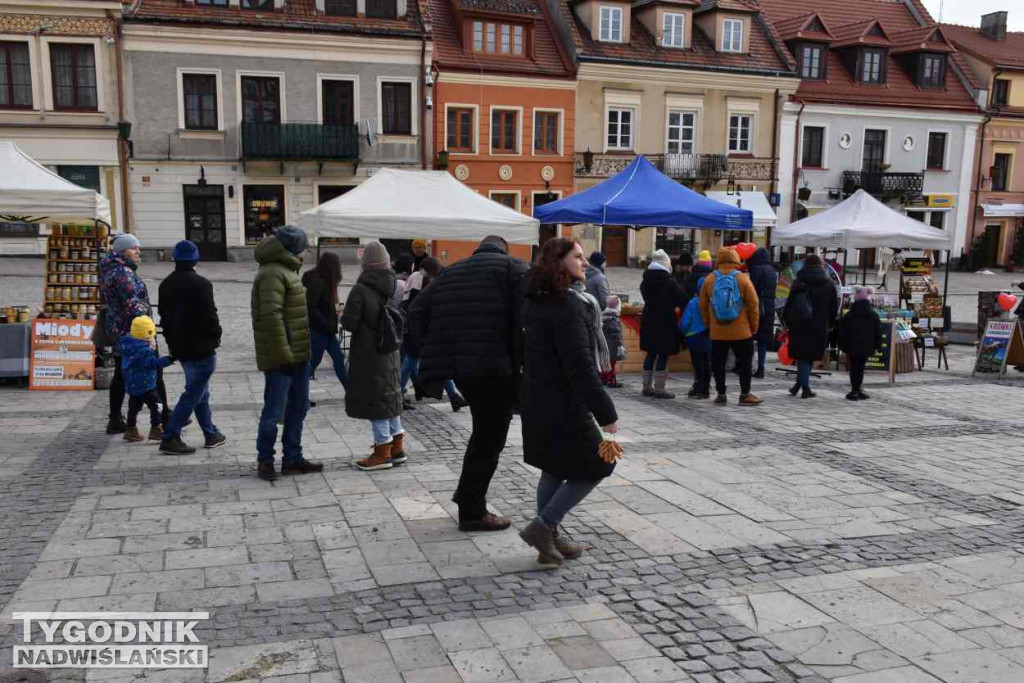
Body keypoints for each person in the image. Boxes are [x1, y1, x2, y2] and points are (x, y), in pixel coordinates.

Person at [408, 235, 530, 532]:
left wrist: (430, 349)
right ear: (505, 249)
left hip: (462, 368)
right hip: (495, 367)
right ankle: (472, 510)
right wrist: (520, 360)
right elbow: (525, 320)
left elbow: (415, 312)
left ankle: (469, 501)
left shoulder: (451, 271)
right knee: (489, 439)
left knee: (484, 434)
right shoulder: (514, 268)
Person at [518, 238, 619, 565]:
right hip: (562, 403)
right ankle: (543, 527)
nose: (585, 263)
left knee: (554, 467)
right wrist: (606, 413)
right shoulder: (568, 306)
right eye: (578, 257)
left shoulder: (535, 301)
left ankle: (552, 539)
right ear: (559, 262)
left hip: (538, 398)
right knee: (600, 464)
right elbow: (580, 367)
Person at [252, 226, 321, 481]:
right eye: (304, 247)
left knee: (298, 407)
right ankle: (265, 460)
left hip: (298, 354)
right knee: (273, 410)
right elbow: (271, 317)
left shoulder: (288, 269)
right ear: (293, 248)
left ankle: (293, 457)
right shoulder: (272, 273)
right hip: (283, 358)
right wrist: (284, 355)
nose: (306, 252)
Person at [341, 242, 407, 471]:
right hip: (390, 349)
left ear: (365, 265)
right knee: (390, 396)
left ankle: (382, 453)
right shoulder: (394, 285)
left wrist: (341, 314)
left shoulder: (361, 289)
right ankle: (397, 447)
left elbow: (349, 322)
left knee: (376, 400)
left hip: (369, 353)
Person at [157, 240, 225, 455]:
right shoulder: (201, 284)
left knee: (200, 390)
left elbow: (165, 319)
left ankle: (210, 433)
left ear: (175, 259)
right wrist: (216, 336)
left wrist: (171, 344)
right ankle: (170, 435)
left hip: (181, 347)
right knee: (194, 392)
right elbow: (209, 315)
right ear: (195, 259)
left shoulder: (165, 284)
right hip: (202, 346)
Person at [100, 233, 169, 434]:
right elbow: (132, 303)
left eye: (138, 248)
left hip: (119, 328)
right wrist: (149, 327)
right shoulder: (122, 273)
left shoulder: (112, 269)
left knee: (122, 372)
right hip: (136, 330)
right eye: (134, 248)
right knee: (154, 370)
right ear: (122, 251)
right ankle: (164, 416)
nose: (138, 252)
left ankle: (115, 418)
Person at [401, 257, 468, 412]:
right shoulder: (418, 278)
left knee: (435, 361)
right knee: (410, 361)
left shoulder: (420, 278)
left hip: (420, 325)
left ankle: (454, 397)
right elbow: (416, 305)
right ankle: (397, 395)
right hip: (417, 326)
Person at [699, 247, 762, 406]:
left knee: (718, 364)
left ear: (718, 260)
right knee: (745, 363)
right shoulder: (742, 278)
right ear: (736, 260)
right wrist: (753, 327)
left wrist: (709, 326)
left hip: (718, 331)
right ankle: (745, 394)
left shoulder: (710, 279)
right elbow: (754, 305)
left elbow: (703, 306)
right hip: (741, 331)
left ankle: (721, 395)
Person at [782, 254, 839, 398]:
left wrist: (786, 321)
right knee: (807, 356)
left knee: (802, 356)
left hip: (799, 323)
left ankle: (800, 386)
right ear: (821, 264)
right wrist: (830, 323)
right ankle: (804, 387)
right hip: (819, 325)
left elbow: (789, 303)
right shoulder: (828, 283)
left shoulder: (799, 280)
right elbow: (834, 306)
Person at [119, 316, 174, 443]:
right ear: (148, 334)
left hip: (133, 384)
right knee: (157, 405)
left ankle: (130, 429)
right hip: (146, 384)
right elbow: (152, 363)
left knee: (134, 407)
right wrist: (169, 359)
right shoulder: (144, 350)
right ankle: (156, 428)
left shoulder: (128, 346)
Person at [639, 249, 685, 399]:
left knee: (651, 353)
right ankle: (659, 389)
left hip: (648, 320)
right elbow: (683, 299)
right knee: (663, 354)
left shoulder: (645, 281)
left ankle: (646, 387)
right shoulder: (669, 282)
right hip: (665, 321)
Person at [304, 252, 347, 389]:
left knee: (339, 359)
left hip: (328, 330)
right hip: (319, 330)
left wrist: (341, 315)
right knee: (313, 362)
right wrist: (326, 323)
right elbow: (311, 307)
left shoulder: (331, 282)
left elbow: (336, 303)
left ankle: (351, 392)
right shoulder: (318, 283)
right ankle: (298, 395)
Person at [837, 286, 882, 401]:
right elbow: (878, 333)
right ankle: (857, 389)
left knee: (854, 367)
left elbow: (842, 331)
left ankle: (855, 390)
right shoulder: (873, 315)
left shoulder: (850, 315)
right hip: (867, 346)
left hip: (852, 346)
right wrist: (877, 346)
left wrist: (842, 345)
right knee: (861, 367)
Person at [747, 247, 778, 379]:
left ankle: (747, 366)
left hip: (758, 306)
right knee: (763, 341)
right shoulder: (772, 270)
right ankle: (761, 367)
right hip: (769, 307)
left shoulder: (757, 269)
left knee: (749, 337)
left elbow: (751, 289)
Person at [680, 277, 711, 399]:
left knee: (697, 363)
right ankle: (706, 389)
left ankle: (698, 387)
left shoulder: (693, 302)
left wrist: (682, 331)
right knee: (707, 362)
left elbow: (685, 321)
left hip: (694, 336)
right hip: (708, 335)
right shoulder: (712, 301)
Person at [600, 295, 625, 388]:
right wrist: (620, 345)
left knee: (605, 361)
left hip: (604, 343)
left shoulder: (603, 315)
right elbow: (616, 333)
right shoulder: (613, 318)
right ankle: (611, 379)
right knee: (612, 363)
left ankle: (603, 377)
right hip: (613, 345)